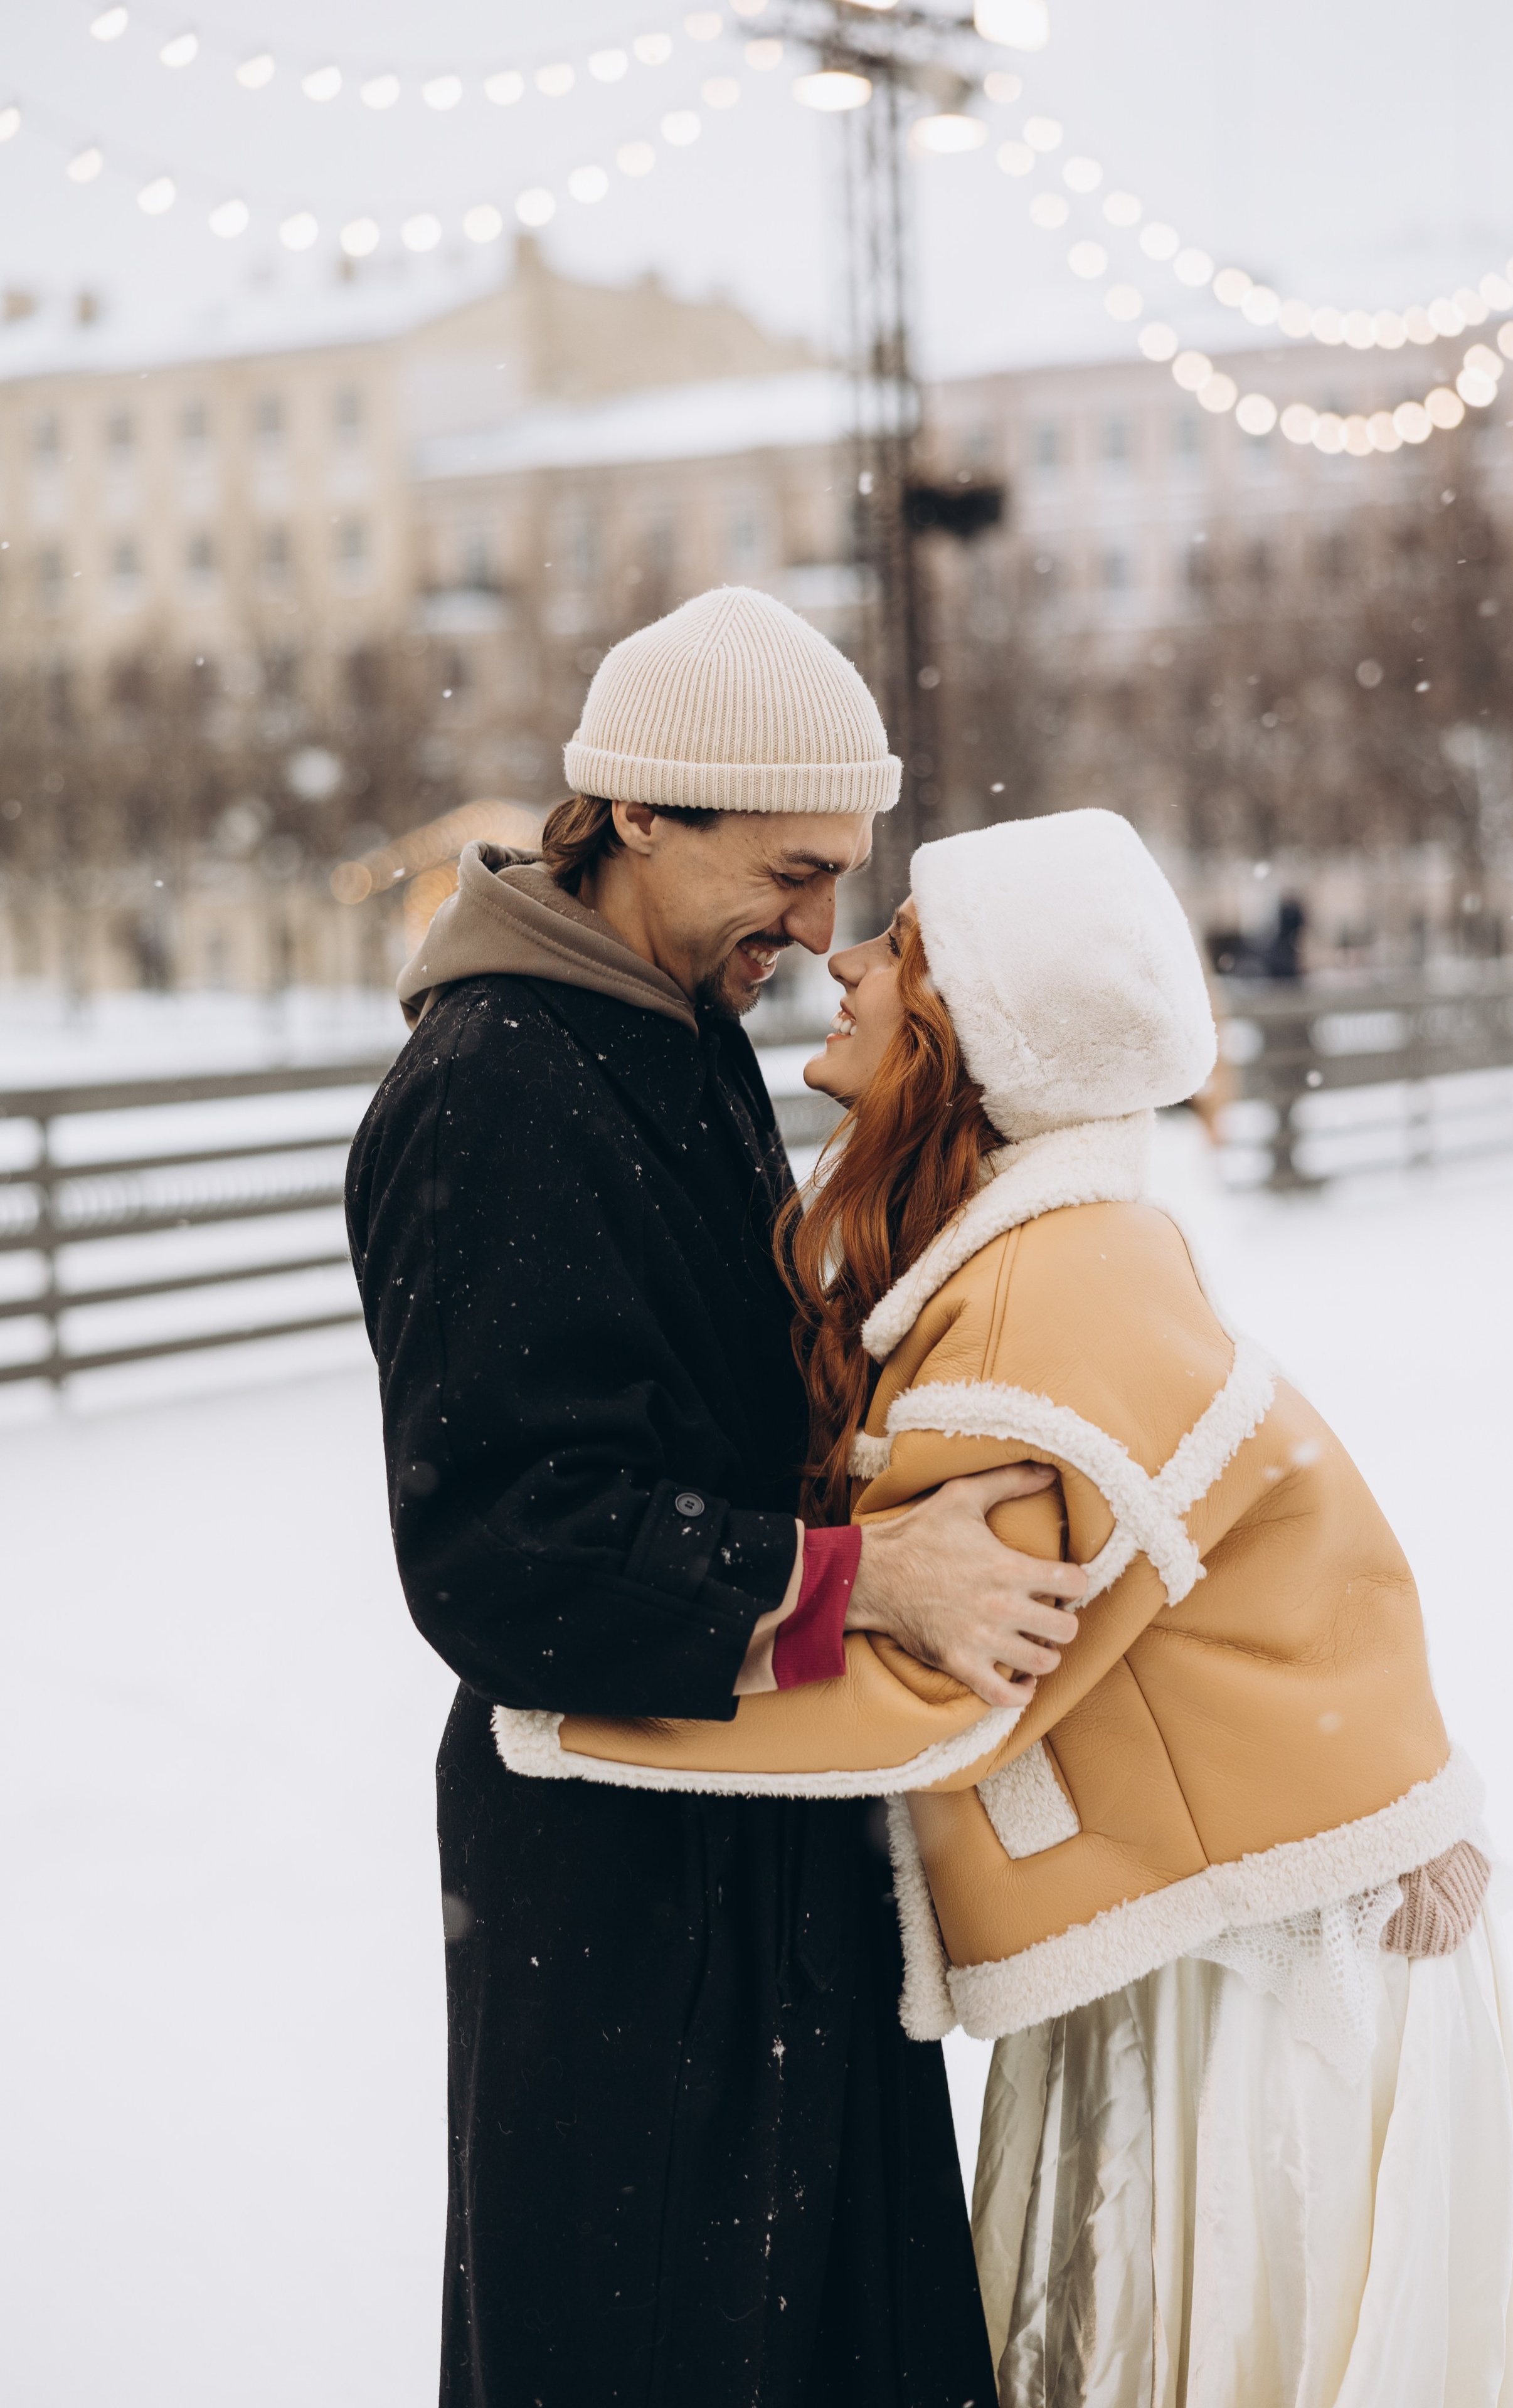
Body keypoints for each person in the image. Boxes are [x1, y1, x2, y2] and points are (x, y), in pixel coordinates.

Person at [529, 808, 1513, 2407]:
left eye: (897, 949)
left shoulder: (1041, 1292)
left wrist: (566, 1695)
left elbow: (959, 1684)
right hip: (1200, 1906)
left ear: (967, 1036)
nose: (838, 958)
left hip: (1261, 1966)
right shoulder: (1023, 1248)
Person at [346, 585, 1084, 2408]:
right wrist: (851, 1580)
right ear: (644, 814)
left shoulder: (658, 1028)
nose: (818, 931)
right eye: (792, 868)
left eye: (842, 877)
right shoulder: (498, 1088)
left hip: (752, 1800)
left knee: (817, 2311)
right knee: (664, 2332)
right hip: (621, 1854)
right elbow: (501, 1545)